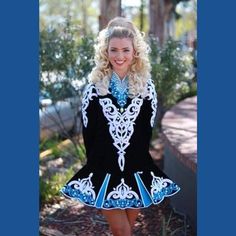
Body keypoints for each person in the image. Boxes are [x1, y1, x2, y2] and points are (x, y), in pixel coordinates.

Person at [60, 17, 180, 236]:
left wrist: (142, 166)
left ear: (135, 52)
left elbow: (145, 133)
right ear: (105, 52)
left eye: (125, 50)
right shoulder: (94, 88)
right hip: (104, 169)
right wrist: (96, 168)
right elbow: (90, 134)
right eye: (114, 50)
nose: (119, 56)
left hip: (137, 170)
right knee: (120, 230)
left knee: (127, 230)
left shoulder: (146, 87)